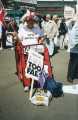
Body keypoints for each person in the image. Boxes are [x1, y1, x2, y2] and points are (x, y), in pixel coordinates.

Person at [13, 10, 44, 91]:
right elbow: (19, 40)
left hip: (36, 51)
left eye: (32, 21)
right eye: (29, 21)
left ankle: (36, 83)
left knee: (36, 68)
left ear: (34, 21)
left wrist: (41, 39)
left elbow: (41, 37)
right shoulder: (23, 29)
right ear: (26, 21)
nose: (31, 22)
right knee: (26, 68)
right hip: (25, 52)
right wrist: (16, 37)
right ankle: (27, 84)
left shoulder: (37, 28)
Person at [67, 15, 78, 82]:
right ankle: (70, 76)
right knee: (73, 62)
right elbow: (72, 35)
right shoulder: (71, 25)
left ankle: (75, 74)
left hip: (74, 45)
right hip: (74, 46)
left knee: (76, 62)